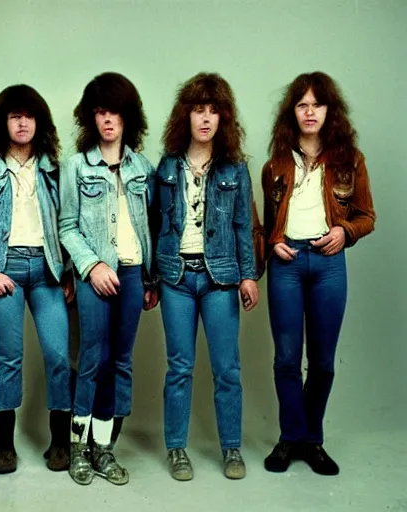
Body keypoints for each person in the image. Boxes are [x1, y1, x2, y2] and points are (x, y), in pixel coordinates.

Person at [262, 72, 376, 475]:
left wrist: (344, 232)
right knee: (287, 359)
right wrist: (272, 243)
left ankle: (312, 440)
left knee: (323, 361)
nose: (310, 112)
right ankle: (290, 437)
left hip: (328, 264)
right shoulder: (275, 164)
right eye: (302, 104)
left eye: (317, 104)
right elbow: (265, 223)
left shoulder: (350, 161)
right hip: (287, 265)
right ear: (292, 112)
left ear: (330, 111)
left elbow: (367, 216)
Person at [154, 72, 259, 481]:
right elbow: (153, 224)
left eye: (214, 111)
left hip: (220, 278)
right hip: (176, 276)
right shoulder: (166, 166)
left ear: (223, 119)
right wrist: (151, 281)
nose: (206, 118)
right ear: (187, 115)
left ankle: (231, 448)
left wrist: (248, 275)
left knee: (227, 368)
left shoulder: (235, 168)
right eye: (199, 109)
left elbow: (243, 226)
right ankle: (177, 449)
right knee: (179, 367)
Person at [0, 84, 73, 474]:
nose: (22, 122)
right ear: (2, 122)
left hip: (47, 271)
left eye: (29, 115)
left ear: (39, 122)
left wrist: (69, 271)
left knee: (59, 355)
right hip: (4, 268)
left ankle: (60, 443)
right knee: (8, 357)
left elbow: (68, 223)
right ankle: (3, 446)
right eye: (14, 116)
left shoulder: (53, 168)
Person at [59, 72, 158, 486]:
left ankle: (105, 449)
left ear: (127, 116)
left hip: (134, 273)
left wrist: (151, 279)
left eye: (114, 111)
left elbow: (152, 224)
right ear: (90, 118)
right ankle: (79, 450)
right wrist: (92, 266)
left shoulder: (144, 168)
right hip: (94, 275)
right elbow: (66, 226)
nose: (107, 119)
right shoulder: (76, 166)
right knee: (91, 362)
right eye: (99, 111)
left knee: (121, 361)